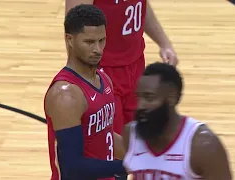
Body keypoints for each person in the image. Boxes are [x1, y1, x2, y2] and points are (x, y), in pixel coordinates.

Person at [65, 0, 179, 136]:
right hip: (102, 71)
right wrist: (79, 77)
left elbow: (139, 5)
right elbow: (74, 27)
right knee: (112, 143)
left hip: (136, 65)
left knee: (140, 137)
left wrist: (164, 43)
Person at [44, 4, 126, 180]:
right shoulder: (66, 95)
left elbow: (105, 136)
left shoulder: (104, 80)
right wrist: (126, 166)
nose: (97, 49)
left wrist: (146, 155)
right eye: (89, 42)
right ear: (70, 40)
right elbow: (73, 168)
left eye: (101, 40)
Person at [122, 62, 233, 180]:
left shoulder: (203, 145)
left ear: (172, 98)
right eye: (138, 97)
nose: (140, 105)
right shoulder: (131, 134)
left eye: (149, 97)